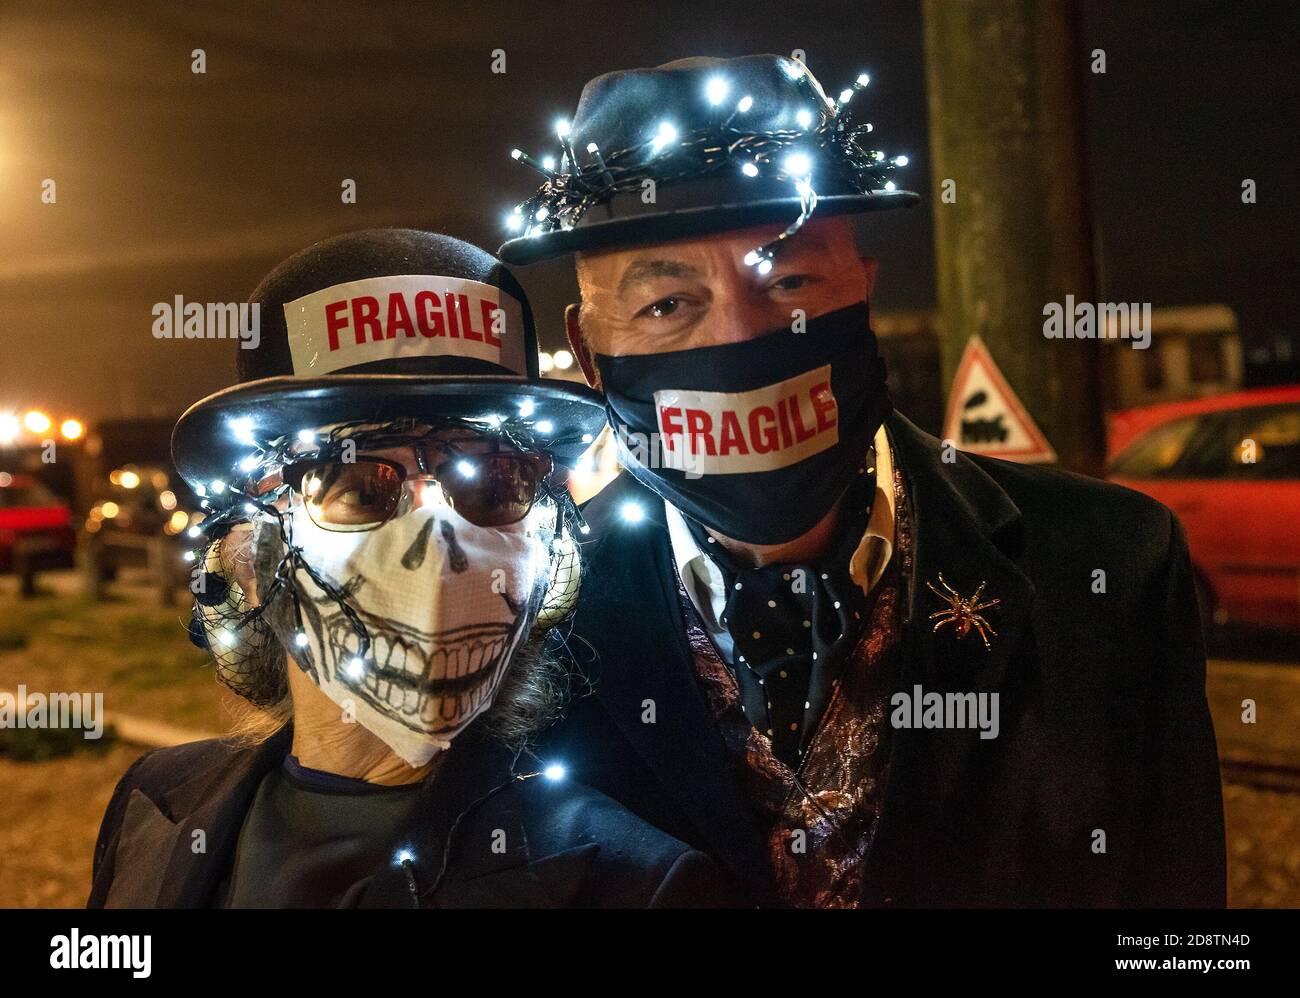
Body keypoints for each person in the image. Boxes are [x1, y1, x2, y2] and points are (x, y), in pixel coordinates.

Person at [496, 55, 1227, 907]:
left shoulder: (1112, 568)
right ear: (588, 352)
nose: (742, 335)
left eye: (791, 281)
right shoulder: (531, 617)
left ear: (865, 291)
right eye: (667, 305)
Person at [88, 229, 735, 908]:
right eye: (362, 488)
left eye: (492, 481)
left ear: (549, 558)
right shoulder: (152, 802)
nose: (438, 550)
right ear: (252, 556)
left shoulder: (635, 885)